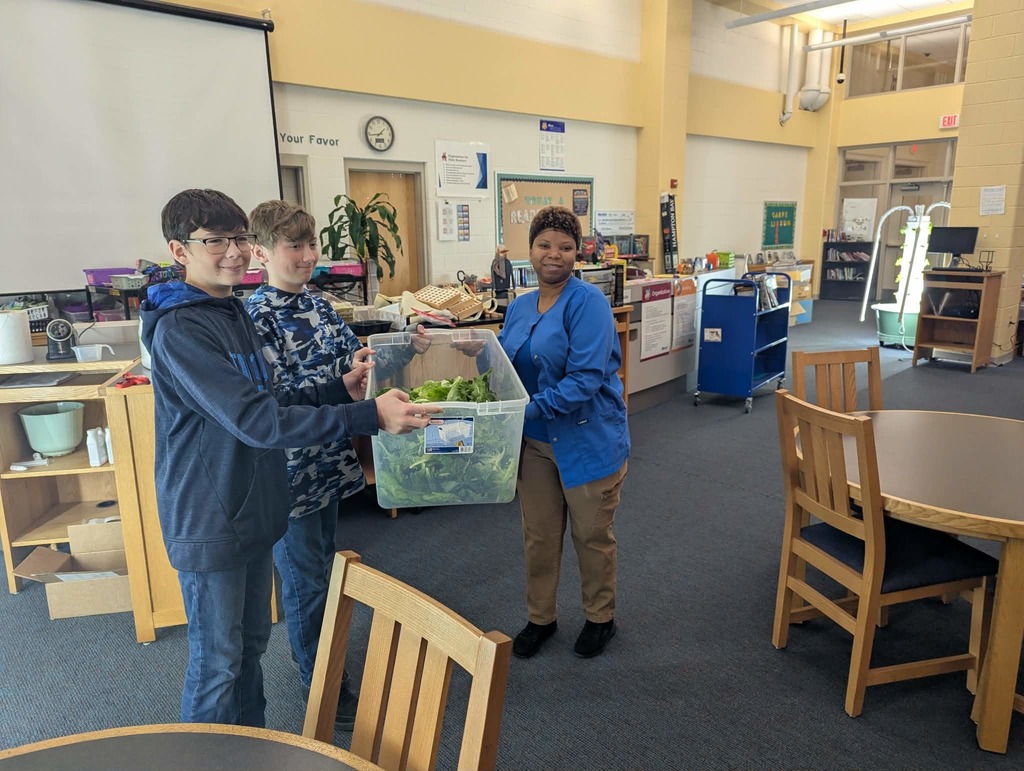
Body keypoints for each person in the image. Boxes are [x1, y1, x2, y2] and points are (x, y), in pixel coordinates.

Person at [139, 189, 439, 727]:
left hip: (254, 505)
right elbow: (259, 423)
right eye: (215, 241)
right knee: (217, 664)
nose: (232, 251)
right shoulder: (182, 329)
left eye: (238, 238)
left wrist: (335, 389)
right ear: (180, 251)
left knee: (249, 646)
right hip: (211, 517)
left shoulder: (230, 311)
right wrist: (367, 416)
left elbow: (268, 402)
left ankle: (248, 752)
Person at [244, 199, 369, 729]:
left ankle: (328, 665)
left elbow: (352, 359)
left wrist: (389, 354)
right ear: (261, 253)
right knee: (304, 583)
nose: (307, 255)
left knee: (325, 574)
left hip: (329, 463)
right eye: (294, 245)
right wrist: (344, 388)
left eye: (311, 243)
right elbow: (271, 400)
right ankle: (323, 686)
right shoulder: (255, 317)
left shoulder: (318, 306)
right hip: (288, 476)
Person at [498, 205, 629, 660]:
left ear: (577, 253)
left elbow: (586, 377)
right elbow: (505, 369)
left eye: (566, 247)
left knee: (591, 536)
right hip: (535, 443)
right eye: (545, 245)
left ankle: (600, 617)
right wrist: (473, 351)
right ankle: (541, 618)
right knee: (539, 535)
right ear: (529, 250)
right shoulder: (517, 307)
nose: (554, 254)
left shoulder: (588, 301)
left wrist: (528, 409)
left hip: (587, 439)